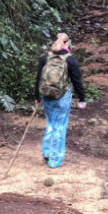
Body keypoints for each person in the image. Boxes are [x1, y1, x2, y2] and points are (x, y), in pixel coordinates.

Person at [35, 34, 86, 169]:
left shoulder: (46, 57)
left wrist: (36, 97)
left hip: (46, 96)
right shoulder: (70, 59)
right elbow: (77, 81)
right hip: (61, 96)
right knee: (59, 127)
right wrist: (82, 99)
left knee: (50, 123)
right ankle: (54, 160)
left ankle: (46, 152)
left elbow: (38, 78)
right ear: (67, 43)